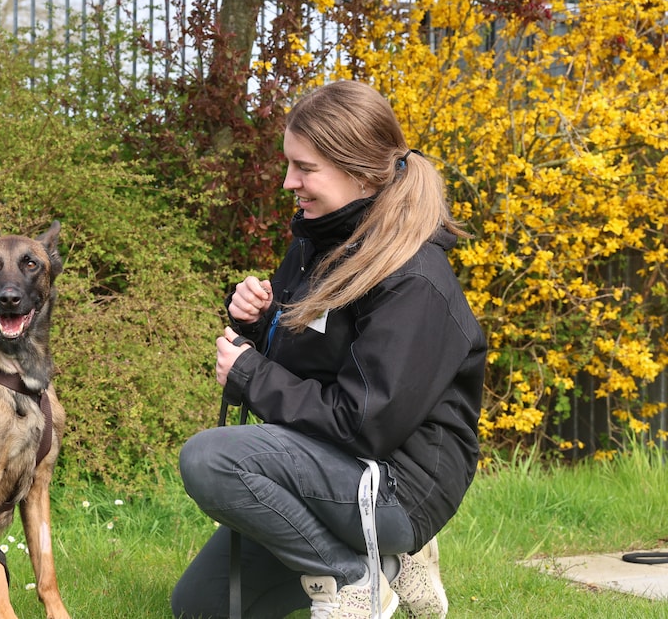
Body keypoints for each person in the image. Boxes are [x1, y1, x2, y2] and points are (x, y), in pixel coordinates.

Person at [171, 80, 486, 619]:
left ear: (361, 171)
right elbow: (309, 356)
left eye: (305, 168)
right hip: (335, 463)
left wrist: (248, 375)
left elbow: (365, 423)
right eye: (289, 164)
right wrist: (257, 322)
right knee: (200, 608)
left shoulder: (415, 280)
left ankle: (355, 578)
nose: (289, 182)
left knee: (210, 458)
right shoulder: (318, 241)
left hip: (397, 485)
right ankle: (390, 563)